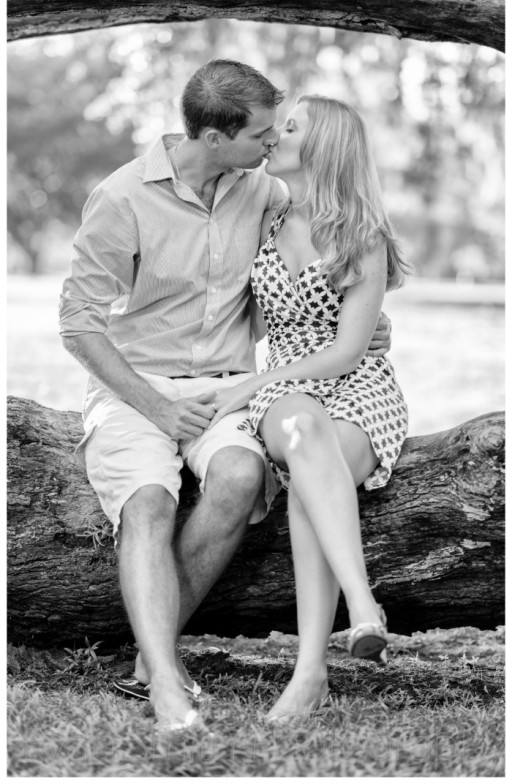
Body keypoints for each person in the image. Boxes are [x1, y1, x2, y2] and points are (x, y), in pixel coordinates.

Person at [59, 61, 391, 732]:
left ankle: (164, 657)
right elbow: (77, 327)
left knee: (243, 474)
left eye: (280, 133)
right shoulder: (122, 198)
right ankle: (161, 682)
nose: (271, 146)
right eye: (263, 135)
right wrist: (157, 408)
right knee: (150, 503)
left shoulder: (260, 192)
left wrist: (363, 327)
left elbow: (335, 257)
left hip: (229, 389)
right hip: (139, 387)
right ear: (215, 138)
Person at [209, 95, 408, 722]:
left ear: (321, 147)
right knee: (299, 428)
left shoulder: (362, 234)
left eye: (289, 128)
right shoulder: (264, 214)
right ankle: (363, 607)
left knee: (306, 479)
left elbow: (350, 351)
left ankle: (310, 672)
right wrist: (245, 383)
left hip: (358, 384)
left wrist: (379, 327)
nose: (273, 136)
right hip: (288, 389)